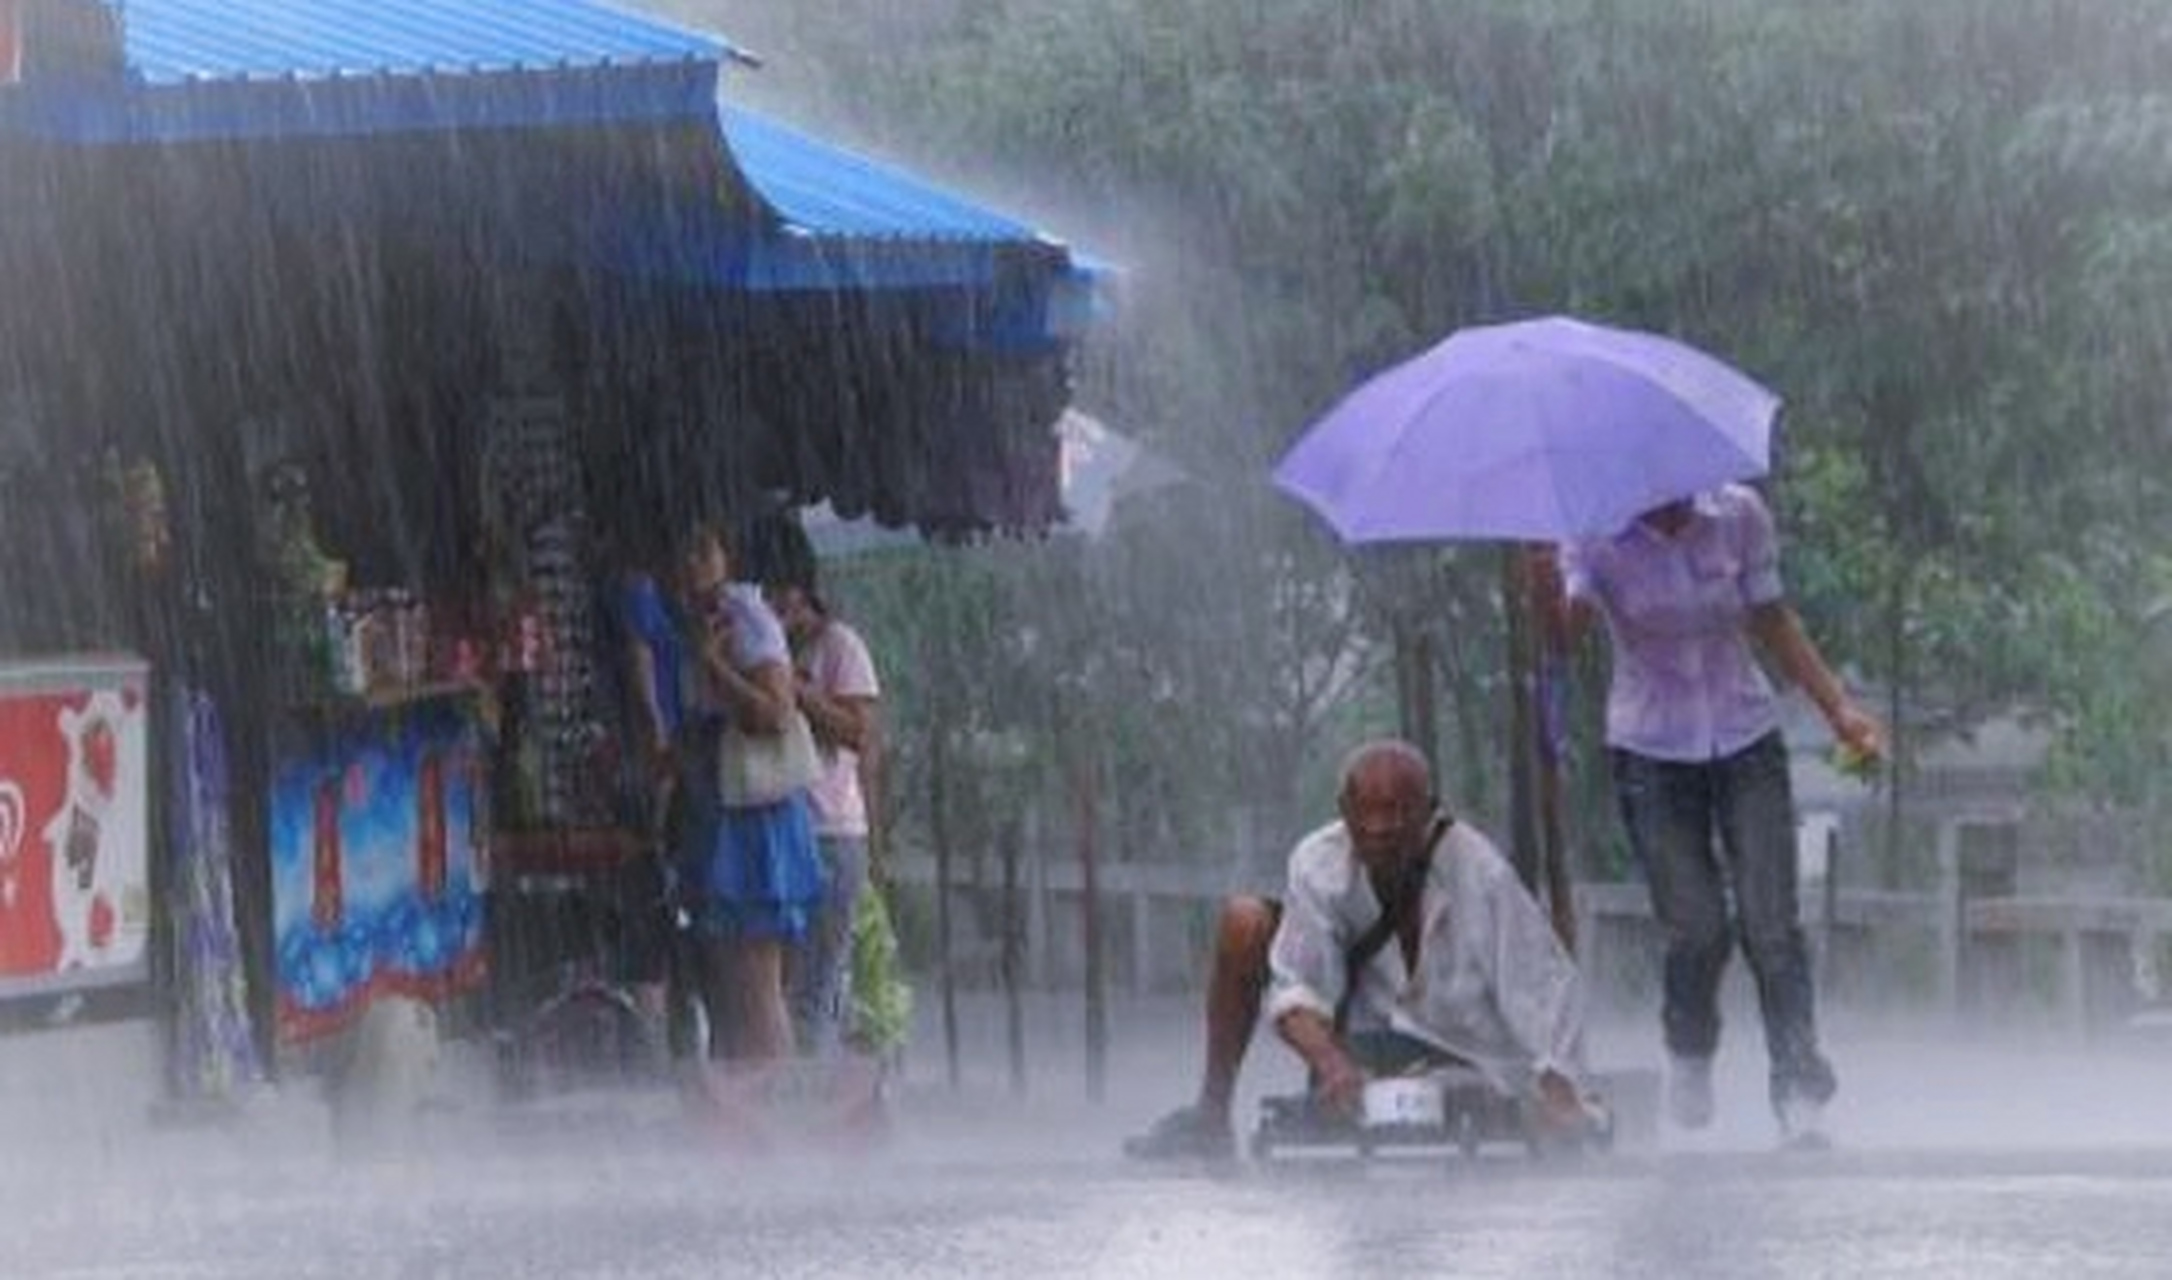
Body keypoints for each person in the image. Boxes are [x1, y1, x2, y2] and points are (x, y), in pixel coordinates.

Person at [1526, 483, 1885, 1143]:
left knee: (1772, 923)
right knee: (1697, 927)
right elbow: (1561, 639)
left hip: (1745, 735)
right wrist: (1544, 590)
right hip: (1651, 748)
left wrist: (1839, 710)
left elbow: (1773, 620)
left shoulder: (1738, 515)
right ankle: (1689, 1048)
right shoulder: (1594, 532)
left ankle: (1800, 1088)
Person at [1125, 739, 1595, 1160]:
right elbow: (1296, 985)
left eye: (1398, 813)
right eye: (1367, 813)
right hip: (1364, 1037)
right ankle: (1211, 1115)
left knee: (1511, 1100)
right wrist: (1331, 1063)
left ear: (1428, 811)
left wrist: (1557, 1086)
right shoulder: (1318, 862)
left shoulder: (1480, 871)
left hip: (1467, 1051)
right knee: (1244, 921)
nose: (1382, 828)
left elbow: (1544, 986)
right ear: (1344, 811)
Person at [673, 523, 825, 1064]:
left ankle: (776, 1104)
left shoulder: (747, 619)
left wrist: (714, 665)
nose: (691, 563)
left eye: (703, 550)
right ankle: (749, 1105)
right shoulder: (705, 621)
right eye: (684, 553)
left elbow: (776, 712)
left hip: (755, 814)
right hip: (724, 807)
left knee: (757, 981)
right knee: (735, 981)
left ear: (728, 558)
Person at [761, 552, 884, 1058]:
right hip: (781, 830)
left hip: (830, 833)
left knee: (814, 985)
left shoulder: (840, 646)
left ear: (804, 592)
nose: (773, 604)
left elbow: (861, 734)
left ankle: (813, 1098)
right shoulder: (763, 650)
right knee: (777, 985)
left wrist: (803, 694)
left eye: (781, 593)